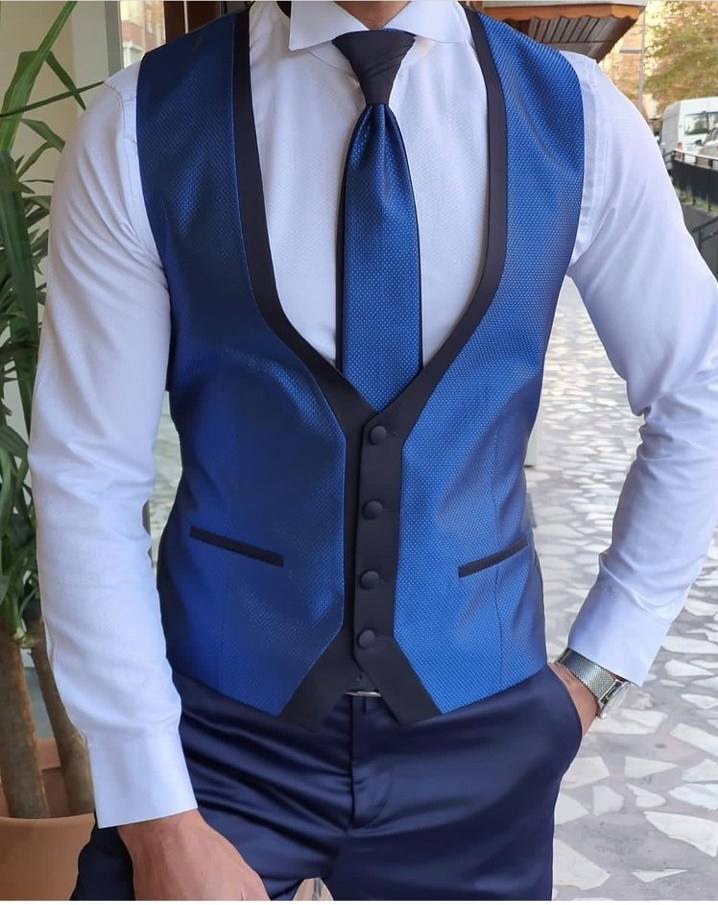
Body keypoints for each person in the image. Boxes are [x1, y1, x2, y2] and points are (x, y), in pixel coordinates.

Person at [28, 0, 718, 899]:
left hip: (481, 731)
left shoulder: (576, 114)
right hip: (209, 742)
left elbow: (699, 390)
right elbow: (87, 473)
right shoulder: (142, 120)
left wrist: (598, 667)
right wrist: (155, 811)